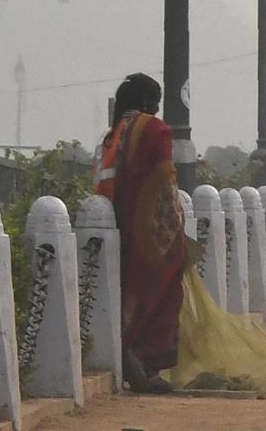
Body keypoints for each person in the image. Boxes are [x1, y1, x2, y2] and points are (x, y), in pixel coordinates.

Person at [95, 73, 185, 393]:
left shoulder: (109, 137)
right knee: (164, 291)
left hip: (108, 230)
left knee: (124, 294)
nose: (158, 107)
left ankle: (126, 352)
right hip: (144, 230)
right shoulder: (154, 130)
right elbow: (163, 184)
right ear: (147, 102)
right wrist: (174, 231)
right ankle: (144, 361)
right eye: (155, 99)